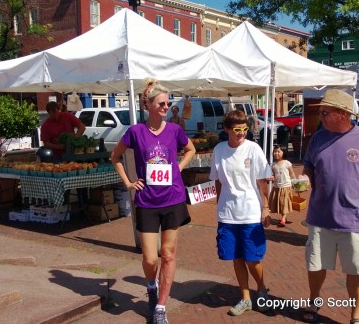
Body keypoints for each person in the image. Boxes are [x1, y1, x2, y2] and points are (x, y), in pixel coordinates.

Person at [301, 89, 359, 324]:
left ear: (343, 114)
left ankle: (356, 314)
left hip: (355, 218)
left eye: (324, 112)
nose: (320, 115)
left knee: (357, 269)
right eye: (320, 111)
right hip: (320, 216)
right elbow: (309, 165)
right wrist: (305, 178)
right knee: (316, 265)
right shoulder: (318, 138)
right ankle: (313, 300)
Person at [110, 79, 196, 324]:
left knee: (167, 254)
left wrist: (178, 168)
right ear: (148, 105)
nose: (165, 107)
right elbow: (115, 156)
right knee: (150, 258)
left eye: (167, 103)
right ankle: (151, 284)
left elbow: (190, 149)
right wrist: (128, 182)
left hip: (173, 198)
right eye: (161, 103)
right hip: (147, 201)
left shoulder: (174, 130)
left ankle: (160, 307)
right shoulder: (136, 132)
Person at [209, 110, 272, 317]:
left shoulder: (253, 149)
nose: (242, 133)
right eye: (237, 129)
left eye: (245, 129)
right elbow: (218, 181)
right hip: (227, 214)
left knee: (252, 258)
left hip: (250, 212)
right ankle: (245, 298)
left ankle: (261, 289)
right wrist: (219, 205)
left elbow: (262, 180)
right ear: (227, 129)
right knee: (236, 257)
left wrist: (265, 207)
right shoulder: (218, 150)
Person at [268, 145, 296, 227]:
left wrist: (295, 183)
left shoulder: (287, 163)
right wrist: (272, 177)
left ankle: (283, 219)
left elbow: (292, 173)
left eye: (278, 151)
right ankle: (283, 217)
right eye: (275, 152)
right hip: (277, 187)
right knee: (279, 204)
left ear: (283, 153)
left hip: (286, 186)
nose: (276, 153)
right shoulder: (273, 165)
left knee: (284, 203)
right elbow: (273, 175)